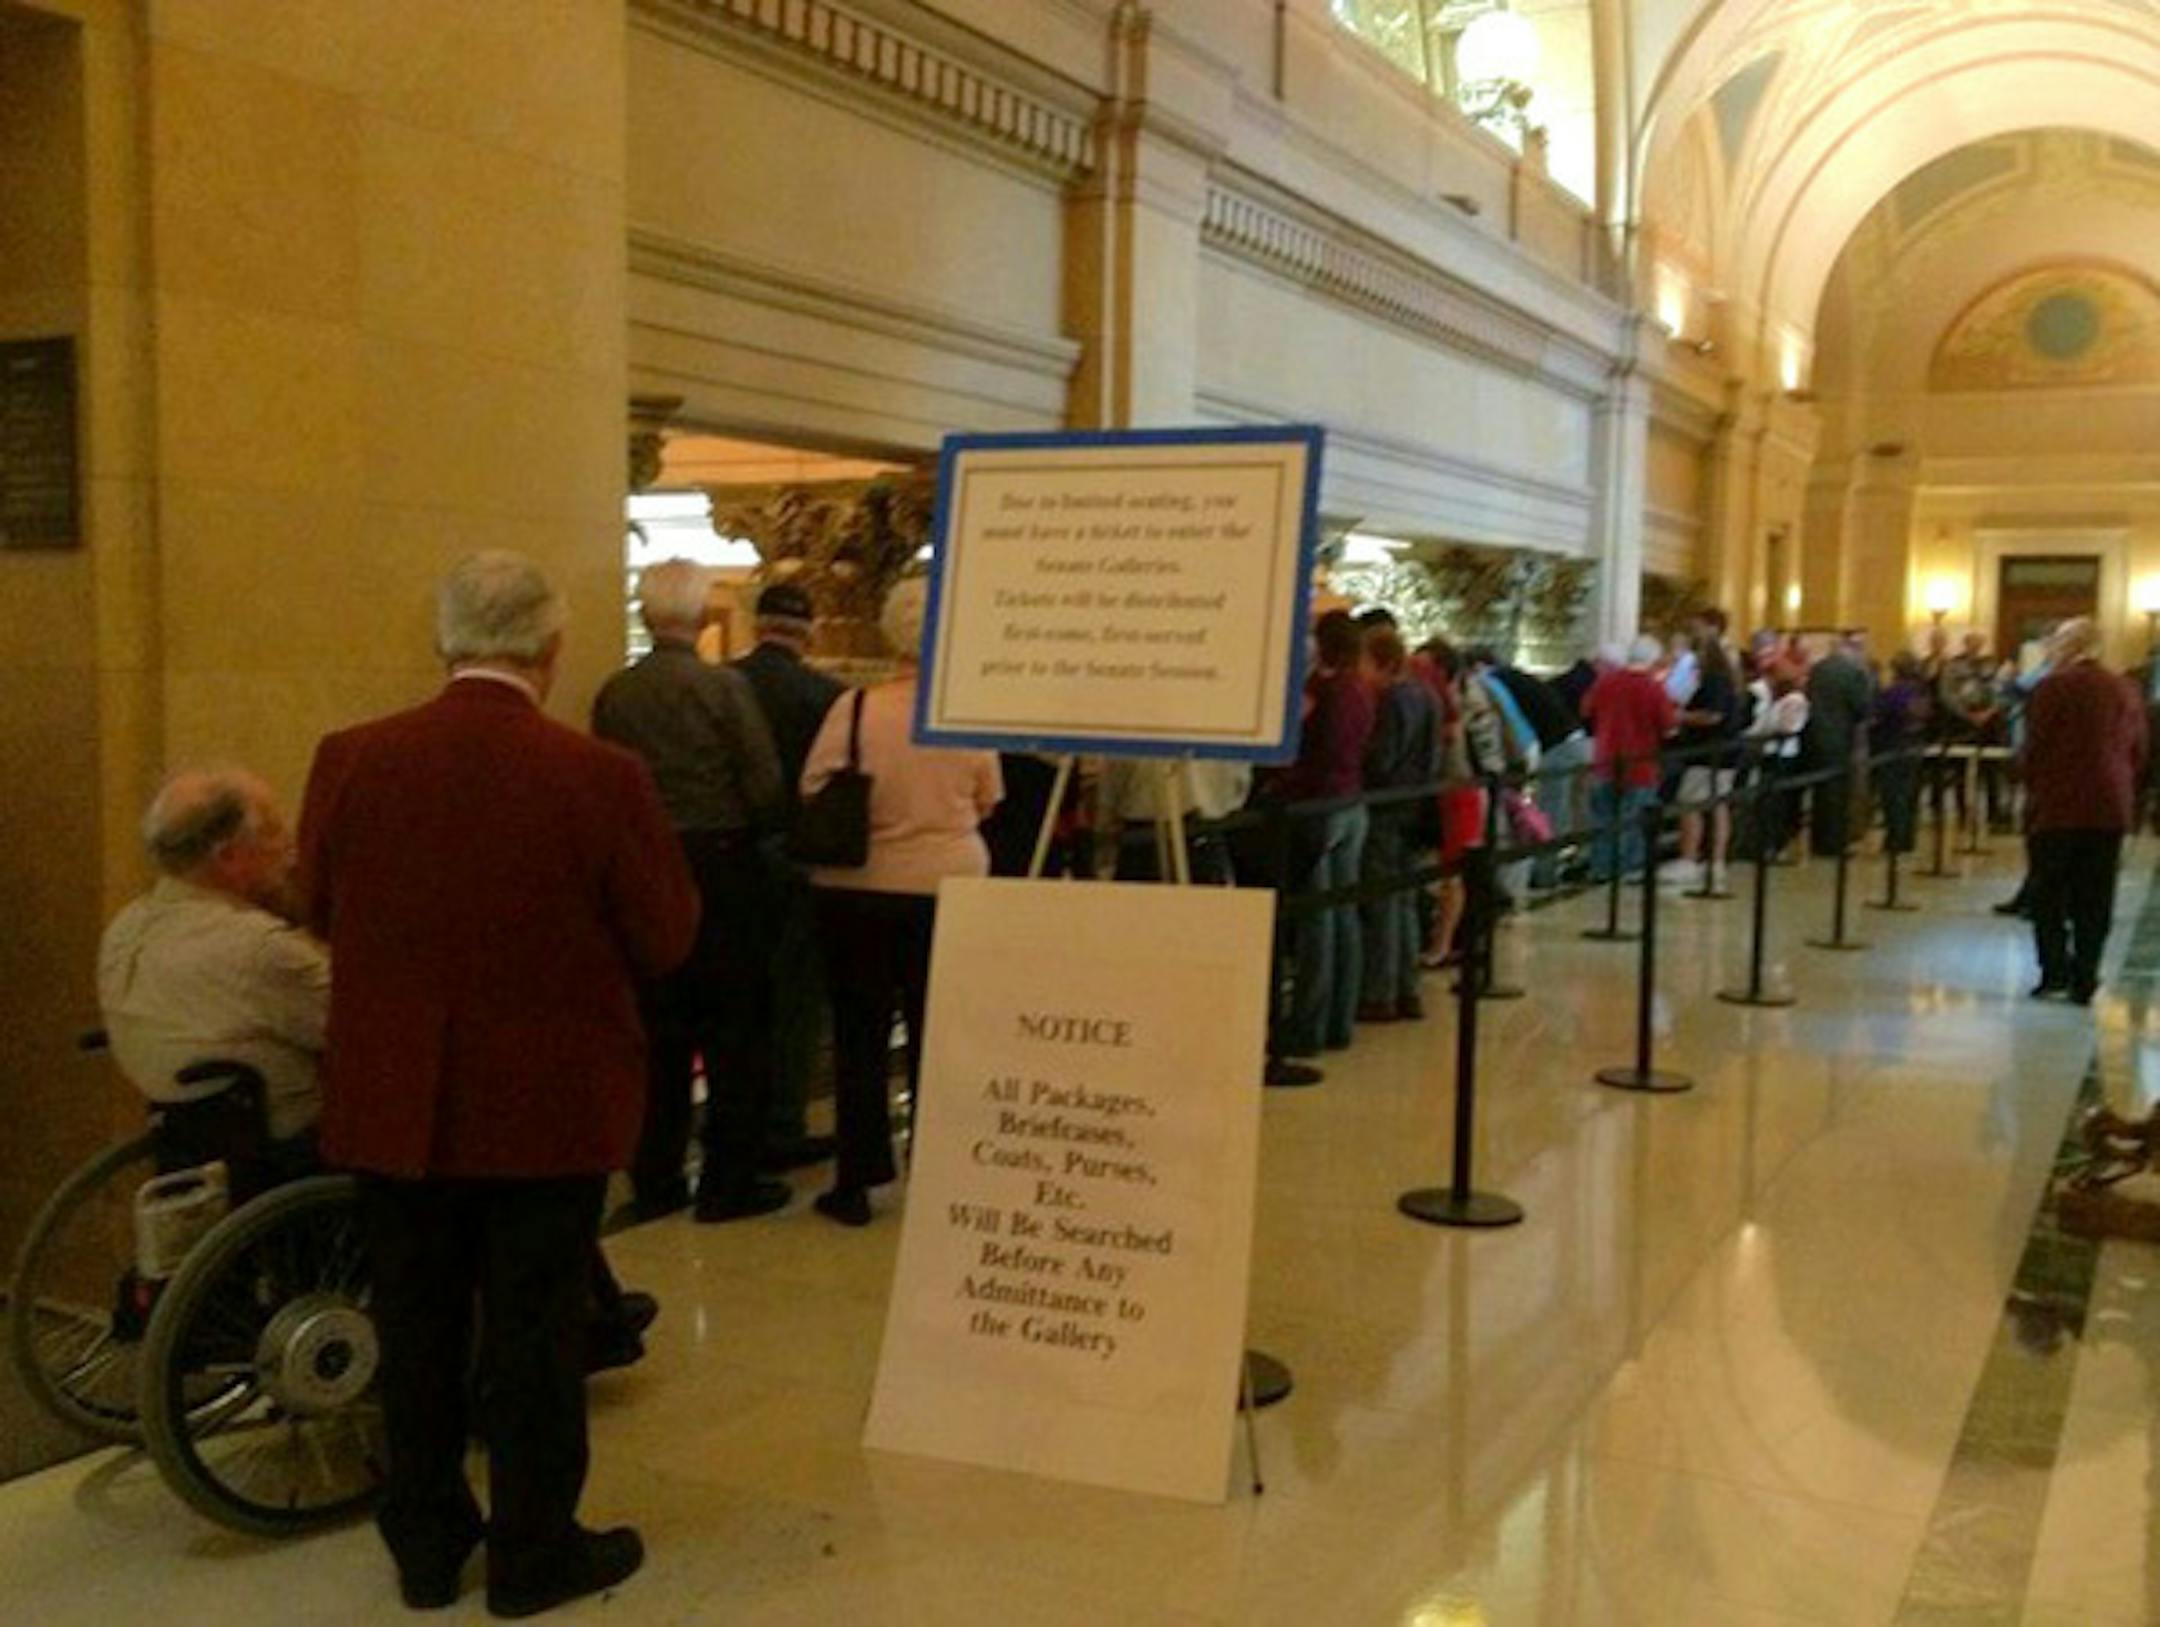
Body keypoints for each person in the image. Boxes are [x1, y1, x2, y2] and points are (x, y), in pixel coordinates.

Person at [299, 552, 698, 1617]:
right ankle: (532, 1551)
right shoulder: (600, 775)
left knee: (417, 1328)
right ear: (552, 649)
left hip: (396, 1097)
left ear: (443, 644)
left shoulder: (351, 757)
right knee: (534, 1335)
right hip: (548, 1103)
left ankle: (426, 1546)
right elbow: (665, 935)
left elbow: (319, 906)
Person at [101, 767, 658, 1373]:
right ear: (229, 856)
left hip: (198, 1132)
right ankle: (563, 1326)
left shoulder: (129, 927)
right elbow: (368, 1026)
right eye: (276, 835)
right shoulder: (256, 949)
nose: (291, 851)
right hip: (300, 1143)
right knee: (497, 1137)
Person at [594, 559, 790, 1225]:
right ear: (702, 613)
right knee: (734, 1027)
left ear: (647, 615)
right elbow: (763, 783)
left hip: (644, 866)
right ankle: (730, 1180)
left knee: (659, 1029)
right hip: (721, 866)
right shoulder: (723, 688)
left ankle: (656, 1175)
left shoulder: (616, 694)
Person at [801, 576, 1002, 1226]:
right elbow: (987, 797)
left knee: (859, 1034)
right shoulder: (960, 713)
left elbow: (814, 786)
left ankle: (857, 1180)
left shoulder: (855, 709)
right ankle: (940, 1168)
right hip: (947, 888)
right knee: (939, 1031)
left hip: (857, 892)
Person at [733, 580, 847, 1172]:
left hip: (732, 860)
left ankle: (737, 1119)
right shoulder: (829, 696)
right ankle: (783, 1120)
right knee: (796, 999)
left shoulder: (724, 683)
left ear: (758, 625)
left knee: (736, 996)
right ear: (808, 632)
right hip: (801, 863)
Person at [2020, 618, 2147, 1004]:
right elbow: (2138, 749)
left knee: (2049, 892)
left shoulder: (2052, 687)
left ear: (2067, 647)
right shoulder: (2125, 689)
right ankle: (2086, 975)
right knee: (2096, 895)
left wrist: (2028, 783)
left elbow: (2036, 746)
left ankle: (2054, 972)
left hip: (2058, 805)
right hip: (2109, 806)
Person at [1274, 610, 1375, 1055]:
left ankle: (1308, 1025)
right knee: (1342, 915)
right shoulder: (1361, 690)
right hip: (1352, 801)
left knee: (1317, 919)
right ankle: (1339, 1020)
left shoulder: (1326, 689)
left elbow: (1302, 742)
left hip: (1320, 805)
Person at [1357, 626, 1438, 1022]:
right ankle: (1408, 987)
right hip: (1416, 806)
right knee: (1404, 901)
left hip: (1387, 808)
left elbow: (1383, 758)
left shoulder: (1393, 700)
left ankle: (1379, 992)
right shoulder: (1427, 695)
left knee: (1384, 903)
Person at [1583, 637, 1676, 882]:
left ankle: (1601, 868)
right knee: (1634, 820)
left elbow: (1586, 711)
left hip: (1605, 759)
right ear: (1653, 661)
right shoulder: (1653, 689)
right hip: (1641, 763)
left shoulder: (1606, 683)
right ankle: (1629, 869)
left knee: (1603, 819)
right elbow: (1668, 726)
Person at [1671, 629, 1743, 889]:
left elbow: (1713, 715)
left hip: (1707, 754)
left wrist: (1681, 717)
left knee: (1689, 804)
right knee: (1718, 805)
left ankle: (1689, 858)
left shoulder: (1713, 681)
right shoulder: (1729, 680)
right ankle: (1716, 860)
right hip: (1726, 754)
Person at [1803, 631, 1874, 856]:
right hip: (1840, 736)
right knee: (1838, 793)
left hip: (1815, 734)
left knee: (1821, 791)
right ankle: (1833, 843)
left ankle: (1818, 839)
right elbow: (1861, 706)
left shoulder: (1818, 669)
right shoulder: (1853, 673)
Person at [1872, 652, 1931, 857]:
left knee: (1893, 795)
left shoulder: (1892, 693)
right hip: (1915, 745)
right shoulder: (1921, 691)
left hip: (1892, 747)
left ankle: (1895, 839)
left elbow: (1877, 716)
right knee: (1910, 794)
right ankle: (1907, 838)